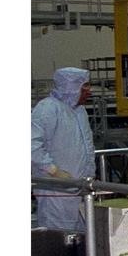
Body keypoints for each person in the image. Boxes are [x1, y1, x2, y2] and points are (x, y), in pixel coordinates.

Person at [31, 68, 95, 231]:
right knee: (58, 241)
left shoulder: (80, 112)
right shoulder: (47, 109)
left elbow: (86, 146)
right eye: (85, 86)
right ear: (71, 87)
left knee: (83, 242)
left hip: (81, 189)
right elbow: (31, 144)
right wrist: (53, 170)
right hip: (55, 192)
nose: (89, 91)